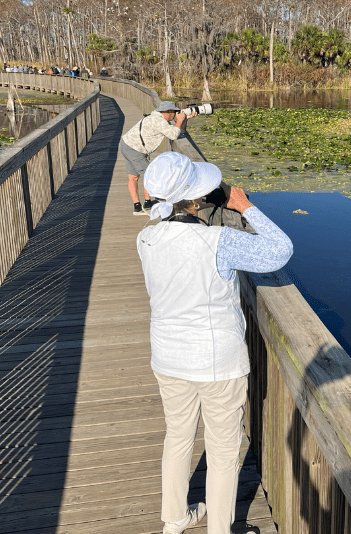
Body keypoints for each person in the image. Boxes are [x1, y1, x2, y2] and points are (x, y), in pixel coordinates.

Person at [137, 152, 293, 534]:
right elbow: (279, 250)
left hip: (167, 356)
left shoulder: (146, 237)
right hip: (216, 363)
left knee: (178, 436)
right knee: (223, 453)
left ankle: (174, 519)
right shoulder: (218, 240)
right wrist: (245, 206)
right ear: (192, 202)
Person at [120, 101, 195, 215]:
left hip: (127, 144)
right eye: (174, 112)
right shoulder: (159, 121)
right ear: (168, 112)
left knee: (133, 177)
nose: (175, 115)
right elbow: (173, 135)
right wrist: (179, 121)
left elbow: (177, 131)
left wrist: (184, 120)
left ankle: (139, 207)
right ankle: (148, 205)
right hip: (135, 149)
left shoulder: (154, 117)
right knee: (151, 175)